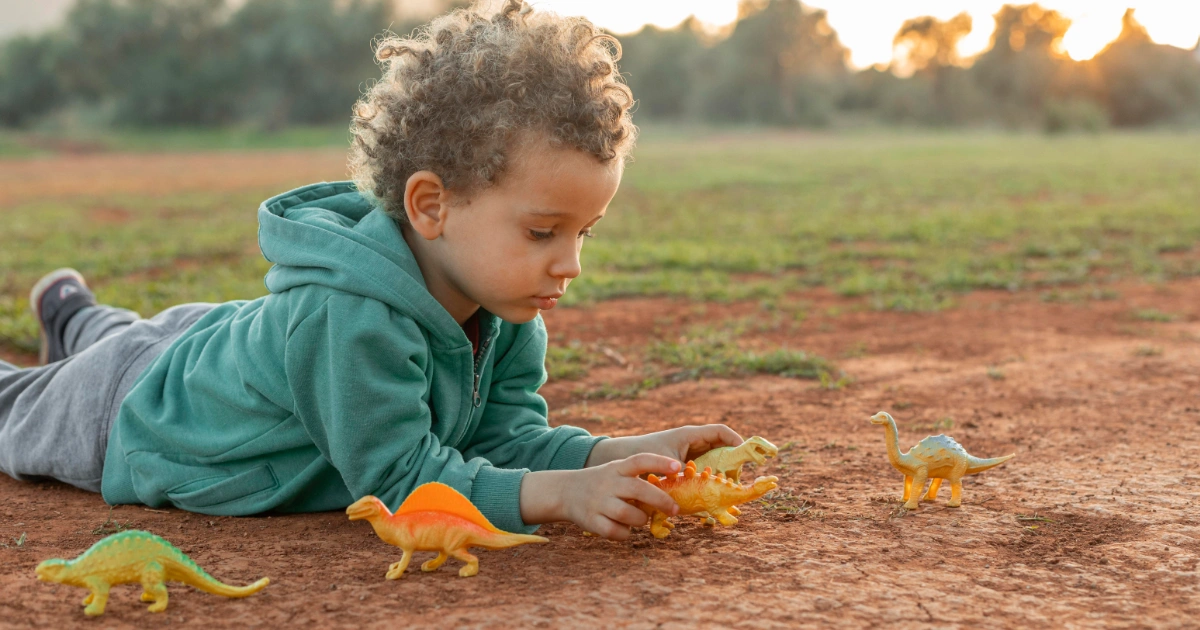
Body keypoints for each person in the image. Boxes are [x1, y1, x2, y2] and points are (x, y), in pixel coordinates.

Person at [0, 0, 742, 541]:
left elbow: (504, 443)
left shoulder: (506, 305)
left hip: (217, 345)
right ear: (431, 206)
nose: (570, 263)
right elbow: (399, 481)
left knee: (121, 336)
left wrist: (614, 457)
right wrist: (560, 495)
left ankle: (71, 313)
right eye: (544, 230)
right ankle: (76, 328)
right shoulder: (351, 318)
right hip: (138, 412)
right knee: (25, 404)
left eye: (585, 231)